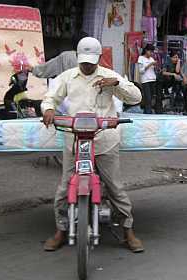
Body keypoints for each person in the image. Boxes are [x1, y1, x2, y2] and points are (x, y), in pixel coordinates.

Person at [41, 37, 144, 253]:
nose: (87, 65)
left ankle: (128, 230)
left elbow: (136, 97)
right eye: (84, 61)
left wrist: (117, 84)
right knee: (64, 188)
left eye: (91, 61)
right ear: (78, 58)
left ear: (98, 59)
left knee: (116, 188)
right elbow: (50, 97)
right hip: (75, 141)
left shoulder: (109, 75)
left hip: (104, 140)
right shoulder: (67, 77)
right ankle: (61, 229)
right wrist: (49, 109)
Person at [137, 44, 158, 114]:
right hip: (145, 80)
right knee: (147, 97)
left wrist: (155, 66)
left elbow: (154, 70)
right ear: (146, 50)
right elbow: (141, 71)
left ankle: (148, 111)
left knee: (152, 97)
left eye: (152, 52)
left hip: (153, 79)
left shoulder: (151, 59)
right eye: (150, 51)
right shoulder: (141, 58)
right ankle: (148, 112)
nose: (151, 53)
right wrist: (150, 64)